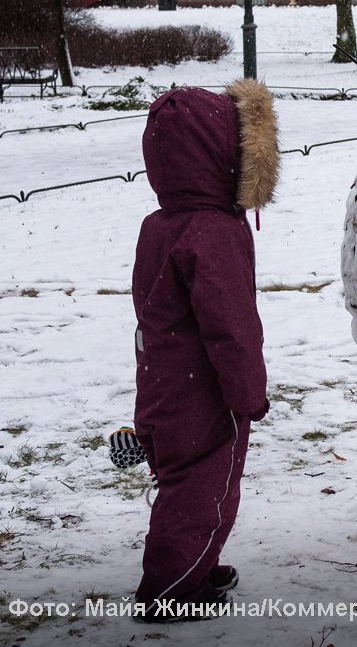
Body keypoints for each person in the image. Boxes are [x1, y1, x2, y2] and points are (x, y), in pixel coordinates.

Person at [131, 79, 279, 620]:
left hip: (165, 381)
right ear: (223, 156)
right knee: (204, 492)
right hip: (205, 392)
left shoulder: (162, 223)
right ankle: (171, 594)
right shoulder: (213, 232)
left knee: (183, 482)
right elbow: (231, 327)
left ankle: (193, 563)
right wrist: (247, 395)